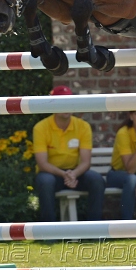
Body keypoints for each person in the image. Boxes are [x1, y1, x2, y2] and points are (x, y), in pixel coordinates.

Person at [33, 85, 105, 222]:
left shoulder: (83, 126)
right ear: (52, 105)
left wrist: (73, 174)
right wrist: (64, 174)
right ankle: (49, 232)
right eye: (62, 102)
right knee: (45, 181)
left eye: (69, 102)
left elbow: (86, 162)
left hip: (75, 173)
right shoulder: (40, 128)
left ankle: (94, 230)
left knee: (97, 180)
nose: (66, 106)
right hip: (52, 174)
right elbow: (42, 163)